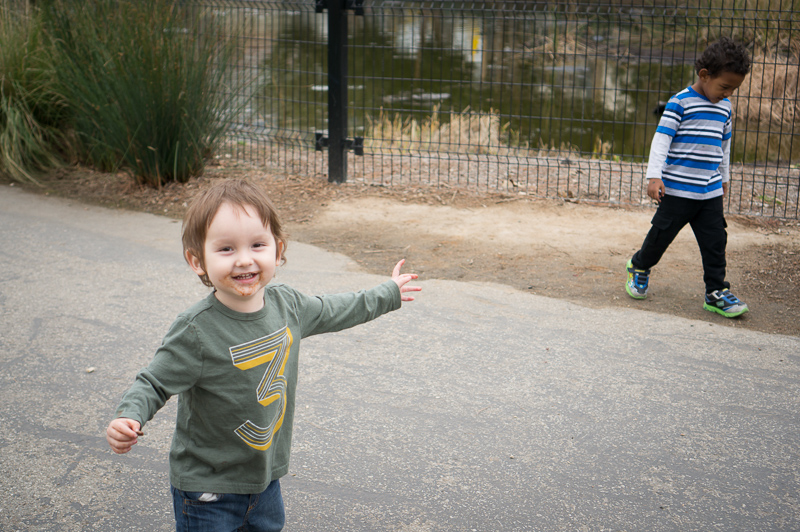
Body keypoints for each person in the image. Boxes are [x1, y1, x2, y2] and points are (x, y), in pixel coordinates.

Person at [106, 178, 421, 531]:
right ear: (197, 261)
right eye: (226, 249)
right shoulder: (195, 330)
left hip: (265, 479)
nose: (244, 259)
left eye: (257, 244)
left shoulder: (289, 305)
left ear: (277, 249)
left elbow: (338, 309)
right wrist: (128, 416)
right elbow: (154, 381)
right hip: (207, 489)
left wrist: (388, 292)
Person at [626, 37, 752, 318]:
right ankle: (639, 265)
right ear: (704, 75)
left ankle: (715, 291)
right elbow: (661, 141)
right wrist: (654, 176)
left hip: (709, 192)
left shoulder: (725, 108)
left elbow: (725, 146)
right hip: (677, 191)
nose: (728, 93)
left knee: (716, 242)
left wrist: (724, 176)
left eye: (733, 88)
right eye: (724, 86)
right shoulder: (679, 103)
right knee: (660, 238)